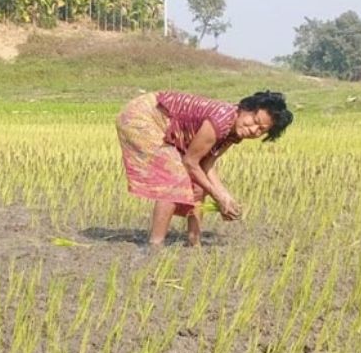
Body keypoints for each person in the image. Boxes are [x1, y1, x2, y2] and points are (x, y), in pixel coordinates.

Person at [116, 90, 293, 247]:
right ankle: (155, 245)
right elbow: (190, 162)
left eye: (261, 130)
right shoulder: (222, 120)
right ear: (244, 108)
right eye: (254, 120)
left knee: (199, 186)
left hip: (156, 119)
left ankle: (194, 242)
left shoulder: (233, 133)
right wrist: (218, 196)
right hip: (141, 116)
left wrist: (225, 197)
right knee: (174, 177)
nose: (253, 129)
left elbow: (206, 164)